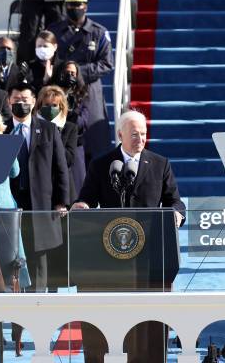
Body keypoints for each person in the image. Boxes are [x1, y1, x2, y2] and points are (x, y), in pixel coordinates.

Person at [71, 110, 185, 363]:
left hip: (150, 256)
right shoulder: (101, 164)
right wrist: (82, 207)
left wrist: (176, 216)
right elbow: (86, 199)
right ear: (120, 134)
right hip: (107, 256)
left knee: (148, 322)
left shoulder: (159, 163)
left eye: (144, 134)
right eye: (135, 134)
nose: (141, 139)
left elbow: (175, 203)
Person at [5, 82, 69, 292]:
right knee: (13, 256)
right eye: (16, 100)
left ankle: (40, 305)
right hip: (12, 202)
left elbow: (60, 167)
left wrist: (62, 201)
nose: (21, 104)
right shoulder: (3, 130)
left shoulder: (48, 129)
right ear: (8, 102)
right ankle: (15, 318)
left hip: (42, 202)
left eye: (25, 100)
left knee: (40, 257)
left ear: (34, 102)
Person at [48, 0, 113, 164]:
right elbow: (48, 60)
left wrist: (77, 73)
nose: (74, 8)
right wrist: (65, 74)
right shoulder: (54, 31)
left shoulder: (98, 32)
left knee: (94, 141)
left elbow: (107, 63)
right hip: (62, 91)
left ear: (86, 7)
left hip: (90, 91)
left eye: (78, 5)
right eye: (70, 5)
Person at [34, 85, 77, 202]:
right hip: (39, 187)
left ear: (61, 107)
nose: (50, 109)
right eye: (46, 105)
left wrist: (54, 133)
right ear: (39, 106)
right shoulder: (33, 128)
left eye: (54, 106)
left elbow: (69, 159)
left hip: (62, 188)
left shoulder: (70, 128)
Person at [50, 60, 88, 190]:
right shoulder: (50, 92)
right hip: (53, 141)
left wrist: (71, 112)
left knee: (77, 184)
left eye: (73, 73)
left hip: (75, 145)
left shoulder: (82, 94)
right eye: (67, 72)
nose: (70, 75)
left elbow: (83, 121)